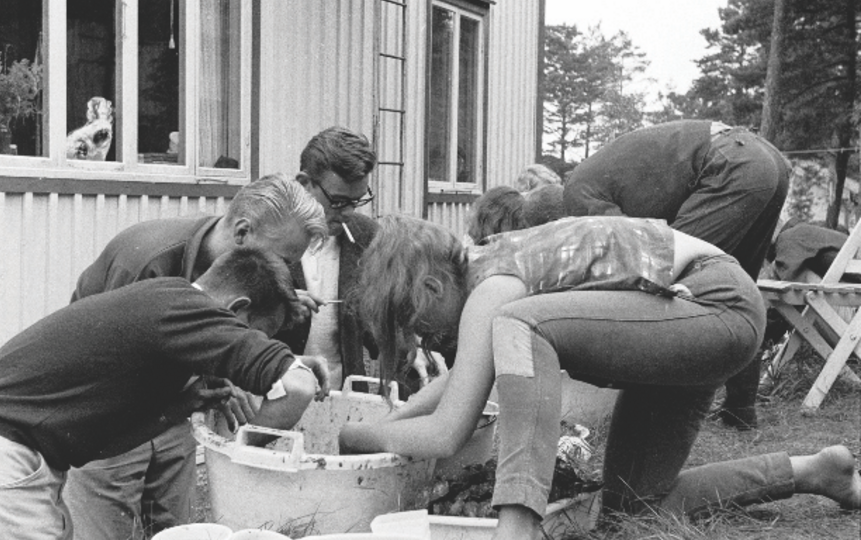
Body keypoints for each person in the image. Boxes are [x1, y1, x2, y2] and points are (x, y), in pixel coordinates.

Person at [338, 215, 860, 540]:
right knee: (633, 503)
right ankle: (815, 472)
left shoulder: (492, 291)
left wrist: (353, 436)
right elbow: (460, 385)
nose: (425, 341)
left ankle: (517, 527)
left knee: (519, 325)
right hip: (695, 321)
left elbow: (447, 432)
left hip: (713, 303)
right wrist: (394, 417)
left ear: (430, 286)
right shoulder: (491, 272)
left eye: (415, 325)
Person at [0, 248, 331, 540]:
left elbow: (95, 447)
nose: (245, 345)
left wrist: (178, 408)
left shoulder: (163, 300)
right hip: (2, 458)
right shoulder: (188, 310)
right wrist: (243, 461)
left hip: (2, 452)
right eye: (255, 333)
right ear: (237, 309)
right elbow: (297, 387)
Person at [64, 173, 328, 540]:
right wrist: (212, 377)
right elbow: (115, 365)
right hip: (108, 416)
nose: (285, 272)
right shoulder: (144, 261)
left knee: (180, 531)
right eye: (282, 259)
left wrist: (274, 347)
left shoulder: (244, 273)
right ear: (241, 234)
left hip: (174, 412)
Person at [561, 120, 791, 430]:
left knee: (671, 283)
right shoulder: (597, 175)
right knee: (741, 288)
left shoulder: (576, 195)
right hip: (764, 158)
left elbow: (629, 253)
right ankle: (740, 409)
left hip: (733, 163)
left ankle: (654, 416)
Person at [279, 126, 381, 389]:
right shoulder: (267, 236)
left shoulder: (365, 236)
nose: (348, 212)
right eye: (338, 201)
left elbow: (375, 329)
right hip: (277, 397)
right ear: (304, 184)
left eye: (356, 201)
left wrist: (407, 343)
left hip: (342, 401)